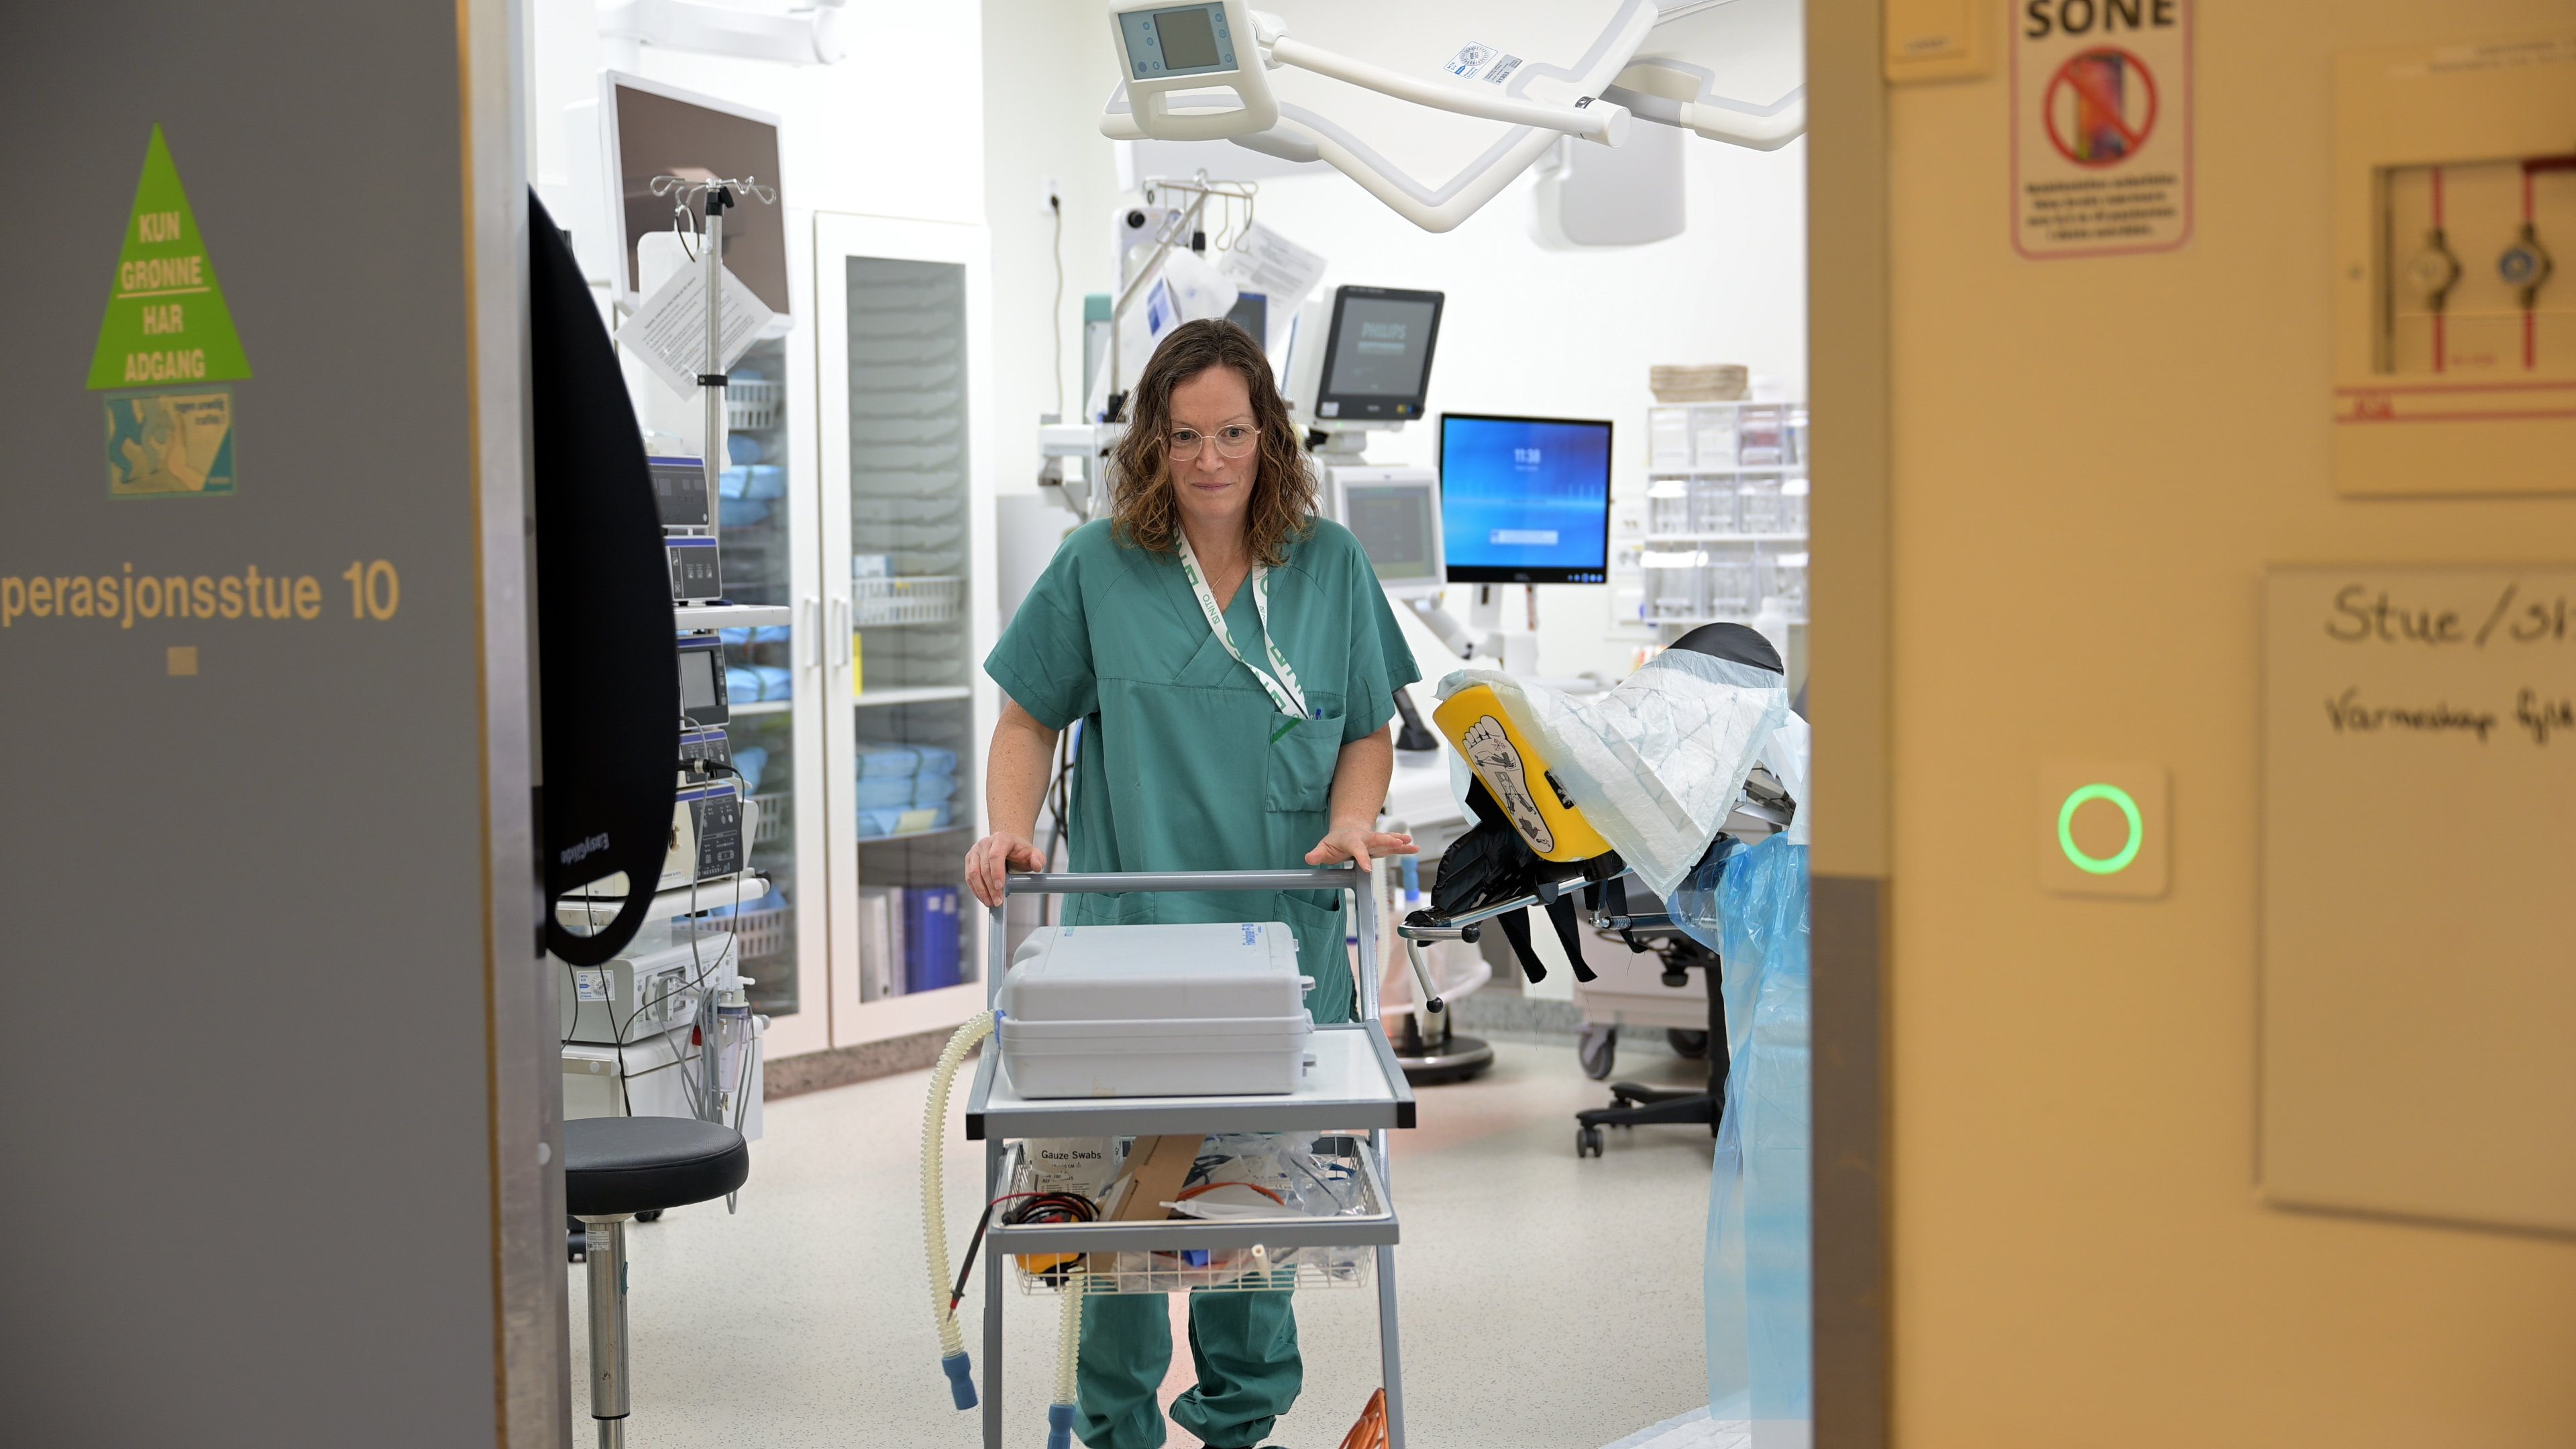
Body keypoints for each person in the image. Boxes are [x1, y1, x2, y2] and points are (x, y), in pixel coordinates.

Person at [970, 317, 1420, 1449]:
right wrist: (1008, 831)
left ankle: (1238, 1430)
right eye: (1183, 437)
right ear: (1151, 444)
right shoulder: (1097, 566)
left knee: (1247, 1224)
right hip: (1126, 951)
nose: (1210, 460)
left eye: (1231, 433)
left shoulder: (1329, 566)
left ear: (1268, 434)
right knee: (1120, 1226)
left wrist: (1354, 818)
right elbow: (1026, 717)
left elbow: (1366, 728)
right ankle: (1118, 1431)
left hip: (1280, 943)